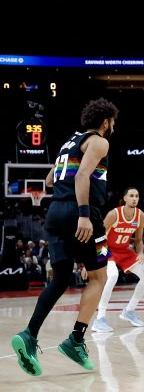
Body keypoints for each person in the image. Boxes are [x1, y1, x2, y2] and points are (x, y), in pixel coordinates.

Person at [12, 98, 119, 376]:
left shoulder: (69, 142)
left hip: (55, 213)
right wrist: (83, 214)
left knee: (60, 278)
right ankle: (76, 341)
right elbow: (82, 176)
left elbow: (50, 180)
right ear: (105, 121)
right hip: (81, 212)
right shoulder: (99, 141)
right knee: (99, 277)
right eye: (112, 122)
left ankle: (29, 334)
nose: (113, 126)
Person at [92, 187, 144, 332]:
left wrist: (140, 253)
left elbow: (138, 240)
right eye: (131, 196)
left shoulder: (141, 216)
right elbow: (99, 235)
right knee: (113, 276)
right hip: (106, 249)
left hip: (124, 250)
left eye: (137, 196)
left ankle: (129, 311)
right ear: (125, 198)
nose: (134, 198)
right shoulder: (114, 214)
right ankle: (99, 318)